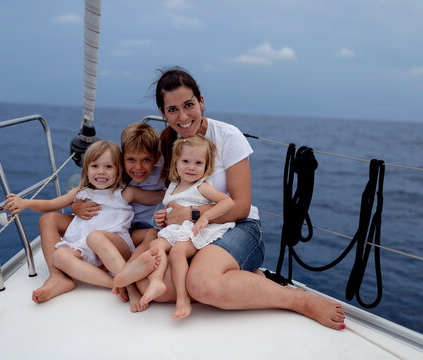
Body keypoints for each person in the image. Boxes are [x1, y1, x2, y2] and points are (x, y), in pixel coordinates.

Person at [132, 66, 346, 330]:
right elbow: (166, 192)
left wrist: (189, 214)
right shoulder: (169, 143)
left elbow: (241, 207)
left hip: (238, 226)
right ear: (164, 114)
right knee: (152, 284)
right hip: (190, 234)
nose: (183, 116)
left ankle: (299, 301)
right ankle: (242, 279)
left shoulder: (227, 136)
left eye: (189, 105)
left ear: (201, 101)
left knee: (201, 284)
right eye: (172, 109)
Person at [4, 140, 163, 302]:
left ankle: (128, 285)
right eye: (95, 166)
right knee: (58, 254)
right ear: (86, 169)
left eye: (108, 167)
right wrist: (26, 203)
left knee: (96, 236)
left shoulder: (125, 193)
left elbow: (162, 196)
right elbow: (50, 204)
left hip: (115, 245)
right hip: (84, 246)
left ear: (118, 170)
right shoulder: (80, 193)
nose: (101, 172)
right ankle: (106, 283)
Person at [115, 135, 234, 319]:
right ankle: (156, 282)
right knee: (155, 246)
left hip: (196, 230)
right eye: (186, 161)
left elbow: (227, 202)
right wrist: (161, 217)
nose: (192, 167)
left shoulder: (202, 187)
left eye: (198, 163)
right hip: (175, 230)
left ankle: (182, 298)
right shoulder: (172, 188)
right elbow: (168, 212)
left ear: (206, 166)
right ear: (176, 163)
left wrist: (206, 216)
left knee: (178, 252)